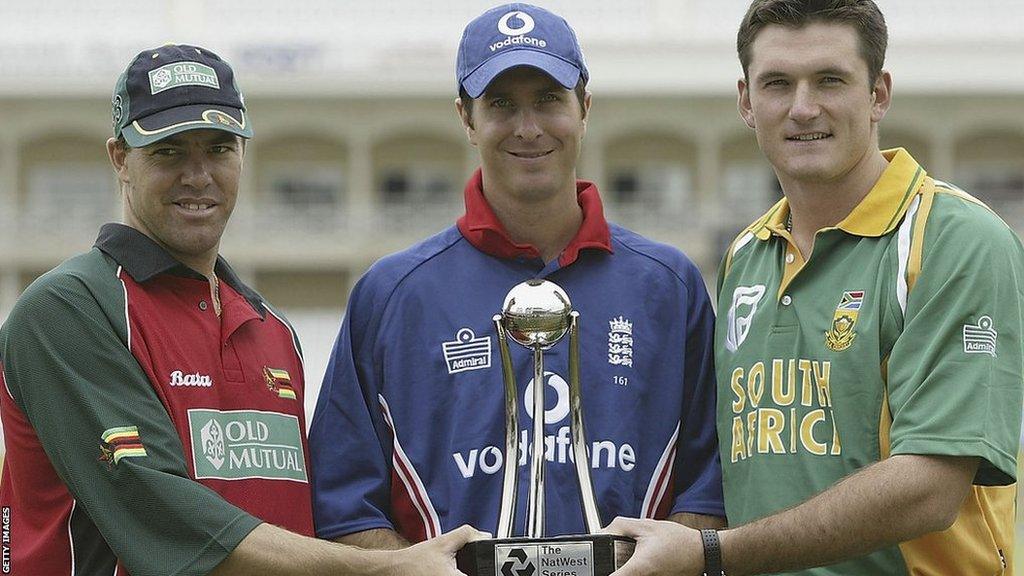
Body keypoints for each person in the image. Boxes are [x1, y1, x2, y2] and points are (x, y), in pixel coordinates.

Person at [0, 43, 482, 576]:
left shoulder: (272, 329)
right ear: (120, 158)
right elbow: (161, 514)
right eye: (169, 151)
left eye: (220, 148)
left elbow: (301, 525)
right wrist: (382, 568)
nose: (198, 174)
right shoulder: (68, 309)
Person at [605, 1, 1024, 575]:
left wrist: (710, 555)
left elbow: (931, 487)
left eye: (830, 80)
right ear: (747, 102)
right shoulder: (745, 256)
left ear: (878, 93)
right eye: (778, 83)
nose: (803, 108)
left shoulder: (957, 240)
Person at [308, 3, 725, 550]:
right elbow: (342, 506)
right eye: (502, 104)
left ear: (585, 107)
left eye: (549, 99)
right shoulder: (391, 294)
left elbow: (712, 488)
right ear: (466, 117)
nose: (528, 128)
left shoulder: (668, 285)